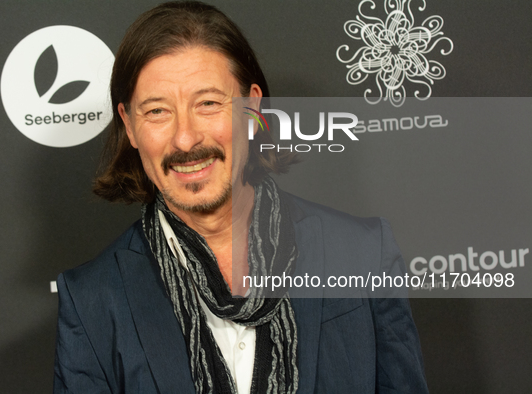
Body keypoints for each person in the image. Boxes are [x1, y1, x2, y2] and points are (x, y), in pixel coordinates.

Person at [53, 1, 428, 393]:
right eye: (158, 111)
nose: (185, 138)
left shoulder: (362, 254)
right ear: (130, 126)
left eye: (209, 103)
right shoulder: (93, 299)